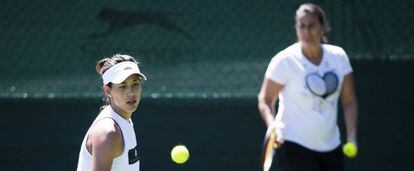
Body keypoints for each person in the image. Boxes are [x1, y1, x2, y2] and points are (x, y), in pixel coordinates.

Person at [258, 3, 358, 171]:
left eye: (311, 26)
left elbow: (349, 100)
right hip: (294, 144)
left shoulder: (338, 57)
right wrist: (272, 126)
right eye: (301, 26)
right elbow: (265, 99)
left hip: (331, 145)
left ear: (323, 27)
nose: (306, 32)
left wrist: (352, 136)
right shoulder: (285, 61)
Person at [77, 54, 147, 171]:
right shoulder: (108, 132)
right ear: (108, 90)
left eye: (135, 83)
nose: (131, 92)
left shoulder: (123, 120)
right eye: (123, 86)